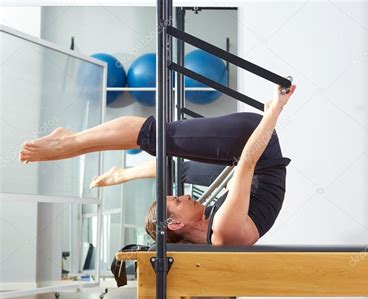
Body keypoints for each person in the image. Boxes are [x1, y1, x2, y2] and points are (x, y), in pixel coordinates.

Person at [19, 84, 296, 245]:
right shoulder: (223, 228)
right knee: (157, 135)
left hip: (255, 159)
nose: (186, 194)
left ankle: (119, 172)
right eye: (177, 200)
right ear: (174, 223)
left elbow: (239, 168)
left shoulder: (209, 224)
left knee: (179, 163)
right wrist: (274, 112)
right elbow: (246, 164)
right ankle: (69, 142)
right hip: (253, 146)